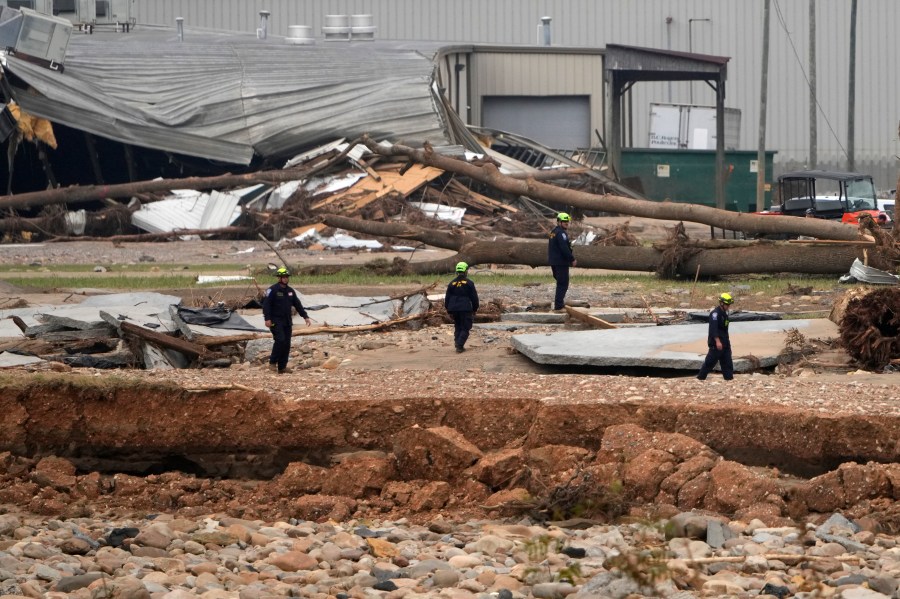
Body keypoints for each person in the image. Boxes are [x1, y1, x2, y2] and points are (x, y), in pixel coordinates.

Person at [262, 267, 311, 374]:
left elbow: (297, 304)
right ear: (279, 278)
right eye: (283, 277)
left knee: (287, 343)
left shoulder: (290, 291)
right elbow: (266, 305)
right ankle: (272, 362)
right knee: (280, 340)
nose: (285, 279)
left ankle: (282, 367)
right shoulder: (272, 290)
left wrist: (305, 316)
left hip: (287, 321)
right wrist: (267, 319)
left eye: (286, 277)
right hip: (275, 320)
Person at [697, 292, 734, 381]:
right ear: (721, 303)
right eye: (727, 304)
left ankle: (729, 379)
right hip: (716, 343)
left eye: (729, 305)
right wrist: (717, 341)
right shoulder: (715, 314)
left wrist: (726, 342)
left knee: (727, 362)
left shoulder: (725, 313)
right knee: (710, 362)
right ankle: (701, 378)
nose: (728, 306)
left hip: (725, 342)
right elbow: (713, 329)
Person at [444, 261, 479, 353]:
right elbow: (474, 297)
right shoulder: (469, 283)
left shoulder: (452, 283)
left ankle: (457, 342)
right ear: (466, 271)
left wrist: (448, 310)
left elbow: (447, 298)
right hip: (465, 308)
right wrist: (475, 308)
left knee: (458, 326)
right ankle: (459, 345)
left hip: (453, 308)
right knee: (466, 326)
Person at [548, 212, 577, 311]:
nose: (566, 223)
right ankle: (559, 305)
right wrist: (572, 259)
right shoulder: (561, 233)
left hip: (554, 261)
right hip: (561, 262)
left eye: (567, 222)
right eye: (564, 222)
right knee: (563, 283)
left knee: (560, 282)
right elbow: (564, 248)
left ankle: (559, 303)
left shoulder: (553, 232)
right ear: (559, 222)